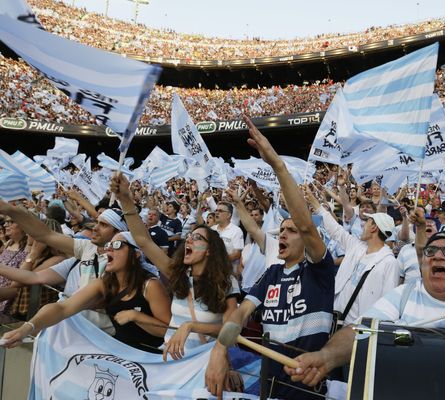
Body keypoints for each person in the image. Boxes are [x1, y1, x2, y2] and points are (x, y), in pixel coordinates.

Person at [205, 115, 336, 400]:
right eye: (281, 231)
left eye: (290, 231)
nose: (283, 235)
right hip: (269, 384)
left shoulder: (320, 271)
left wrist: (278, 166)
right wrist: (219, 348)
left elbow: (305, 224)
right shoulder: (271, 275)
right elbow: (240, 313)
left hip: (307, 386)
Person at [283, 226, 445, 387]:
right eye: (430, 251)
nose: (437, 256)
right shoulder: (403, 295)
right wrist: (326, 358)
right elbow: (359, 331)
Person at [109, 174, 241, 360]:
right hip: (171, 363)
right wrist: (125, 198)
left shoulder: (226, 282)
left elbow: (230, 329)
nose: (189, 239)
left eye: (198, 238)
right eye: (189, 237)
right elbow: (143, 240)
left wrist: (190, 326)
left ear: (210, 250)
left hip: (203, 365)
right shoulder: (178, 274)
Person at [1, 232, 171, 353]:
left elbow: (168, 331)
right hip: (121, 351)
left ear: (136, 254)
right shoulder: (104, 284)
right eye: (108, 246)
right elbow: (63, 308)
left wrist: (136, 316)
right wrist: (27, 328)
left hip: (150, 356)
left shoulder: (150, 285)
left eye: (117, 245)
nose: (109, 250)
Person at [0, 201, 130, 332]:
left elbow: (97, 302)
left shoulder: (124, 263)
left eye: (103, 225)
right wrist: (10, 210)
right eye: (97, 222)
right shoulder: (88, 248)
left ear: (119, 232)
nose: (95, 228)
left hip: (99, 333)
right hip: (70, 326)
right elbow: (45, 236)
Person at [304, 186, 400, 326]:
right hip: (334, 318)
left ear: (374, 228)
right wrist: (315, 203)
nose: (363, 226)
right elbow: (335, 230)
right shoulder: (357, 246)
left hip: (358, 330)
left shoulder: (389, 263)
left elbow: (387, 305)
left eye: (367, 222)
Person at [0, 219, 66, 320]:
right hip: (23, 312)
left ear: (41, 236)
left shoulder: (57, 259)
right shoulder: (37, 257)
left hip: (39, 316)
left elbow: (17, 282)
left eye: (30, 231)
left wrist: (33, 254)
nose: (26, 234)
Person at [0, 216, 29, 312]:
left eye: (11, 222)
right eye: (5, 222)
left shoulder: (28, 249)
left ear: (23, 225)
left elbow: (17, 284)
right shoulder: (8, 243)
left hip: (8, 301)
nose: (5, 225)